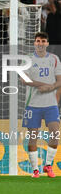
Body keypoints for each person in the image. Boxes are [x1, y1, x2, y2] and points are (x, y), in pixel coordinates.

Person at [21, 32, 61, 178]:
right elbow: (24, 79)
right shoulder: (28, 60)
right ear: (34, 43)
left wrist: (50, 89)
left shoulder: (54, 59)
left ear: (47, 43)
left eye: (43, 41)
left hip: (50, 104)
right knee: (33, 137)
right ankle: (35, 170)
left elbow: (59, 80)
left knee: (55, 133)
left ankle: (48, 165)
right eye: (38, 41)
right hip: (33, 104)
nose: (40, 43)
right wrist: (44, 85)